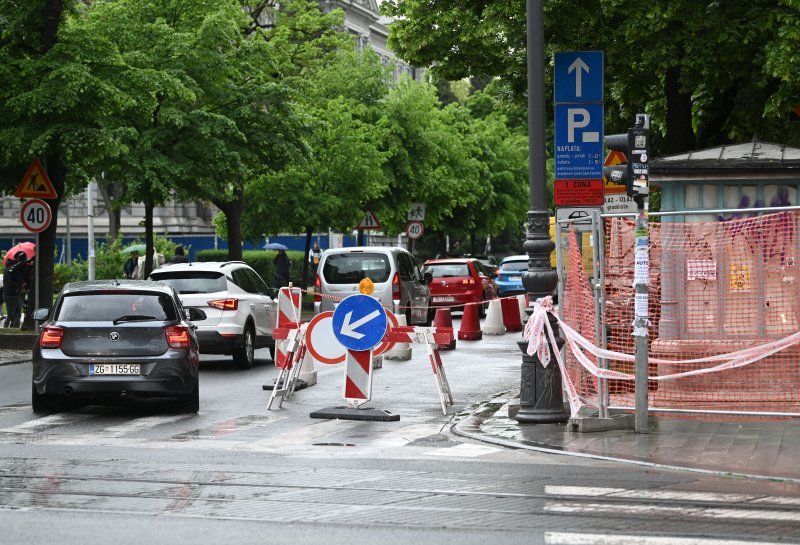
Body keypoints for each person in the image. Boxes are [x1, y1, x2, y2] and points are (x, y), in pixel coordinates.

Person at [3, 251, 31, 328]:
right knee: (18, 312)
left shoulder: (8, 266)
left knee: (10, 314)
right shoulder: (17, 267)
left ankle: (7, 327)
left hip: (6, 293)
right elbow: (19, 279)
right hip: (16, 292)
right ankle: (15, 327)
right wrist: (23, 284)